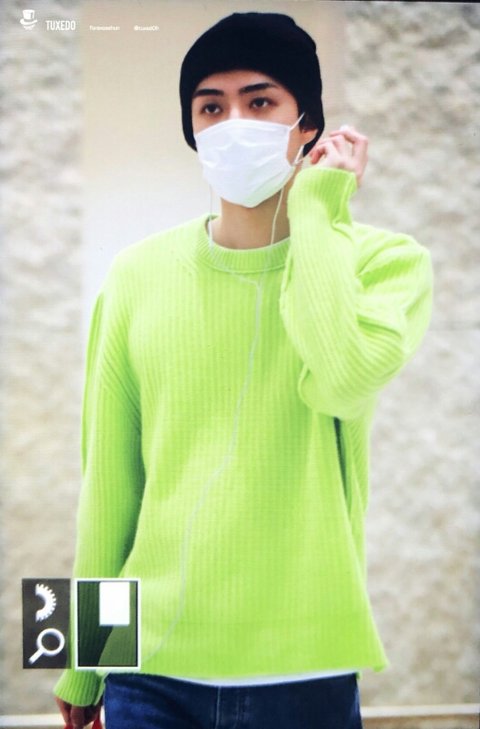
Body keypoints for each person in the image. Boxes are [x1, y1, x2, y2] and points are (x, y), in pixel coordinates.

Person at [53, 11, 433, 729]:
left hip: (307, 667)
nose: (233, 124)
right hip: (151, 674)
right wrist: (81, 660)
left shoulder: (386, 263)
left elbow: (342, 375)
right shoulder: (135, 275)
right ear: (192, 129)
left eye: (260, 101)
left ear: (307, 124)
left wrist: (320, 208)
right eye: (210, 107)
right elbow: (107, 486)